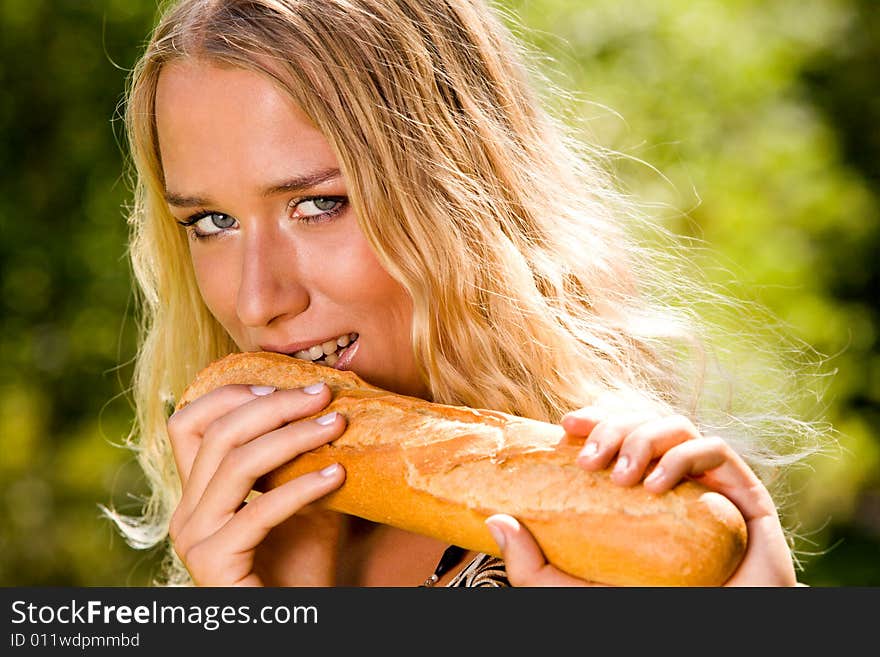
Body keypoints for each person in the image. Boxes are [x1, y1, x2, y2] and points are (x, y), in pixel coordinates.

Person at [104, 0, 830, 587]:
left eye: (320, 204)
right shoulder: (236, 547)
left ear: (458, 199)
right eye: (212, 222)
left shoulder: (636, 520)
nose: (258, 298)